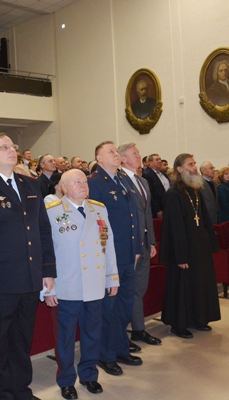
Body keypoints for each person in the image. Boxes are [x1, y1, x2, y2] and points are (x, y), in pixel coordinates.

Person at [0, 133, 56, 400]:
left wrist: (47, 270)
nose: (11, 150)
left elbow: (42, 229)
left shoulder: (30, 183)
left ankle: (21, 391)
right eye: (3, 147)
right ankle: (3, 395)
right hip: (0, 282)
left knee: (22, 340)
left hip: (29, 278)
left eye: (12, 146)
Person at [44, 169, 119, 399]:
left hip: (95, 284)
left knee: (92, 333)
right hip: (68, 285)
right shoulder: (52, 212)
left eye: (85, 181)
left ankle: (88, 374)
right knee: (65, 338)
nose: (83, 185)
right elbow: (46, 253)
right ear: (64, 188)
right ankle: (66, 380)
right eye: (77, 182)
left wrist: (112, 276)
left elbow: (109, 245)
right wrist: (49, 288)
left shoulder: (99, 209)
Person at [88, 141, 142, 376]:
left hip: (129, 253)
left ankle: (120, 348)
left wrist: (138, 245)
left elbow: (134, 217)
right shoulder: (95, 183)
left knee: (124, 306)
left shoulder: (123, 180)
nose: (115, 155)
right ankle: (105, 354)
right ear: (99, 159)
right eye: (110, 152)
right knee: (108, 309)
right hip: (110, 256)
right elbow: (94, 223)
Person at [160, 153, 221, 338]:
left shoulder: (195, 190)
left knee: (199, 283)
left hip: (199, 246)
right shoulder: (173, 193)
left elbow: (203, 219)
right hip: (184, 248)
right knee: (183, 286)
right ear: (179, 169)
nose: (194, 168)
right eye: (190, 165)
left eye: (194, 164)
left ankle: (198, 318)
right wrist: (181, 256)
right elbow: (175, 228)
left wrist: (210, 242)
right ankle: (179, 325)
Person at [118, 143, 161, 350]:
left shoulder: (142, 180)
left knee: (139, 289)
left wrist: (151, 240)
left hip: (144, 243)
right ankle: (121, 333)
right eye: (134, 154)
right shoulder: (119, 180)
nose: (138, 156)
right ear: (123, 159)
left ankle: (138, 328)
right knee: (126, 290)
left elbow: (147, 213)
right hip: (129, 245)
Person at [143, 153, 170, 218]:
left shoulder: (164, 174)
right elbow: (150, 193)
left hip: (167, 206)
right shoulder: (147, 175)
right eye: (157, 159)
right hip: (158, 209)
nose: (159, 161)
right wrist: (157, 210)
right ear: (150, 163)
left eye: (160, 159)